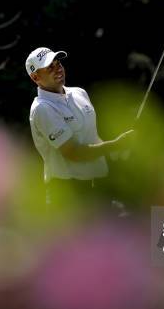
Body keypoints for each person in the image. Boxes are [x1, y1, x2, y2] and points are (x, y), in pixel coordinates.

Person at [26, 47, 134, 209]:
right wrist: (114, 145)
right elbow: (73, 153)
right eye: (50, 67)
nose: (58, 68)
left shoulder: (79, 93)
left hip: (99, 186)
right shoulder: (42, 108)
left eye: (58, 63)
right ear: (35, 77)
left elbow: (91, 137)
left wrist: (115, 151)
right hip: (69, 194)